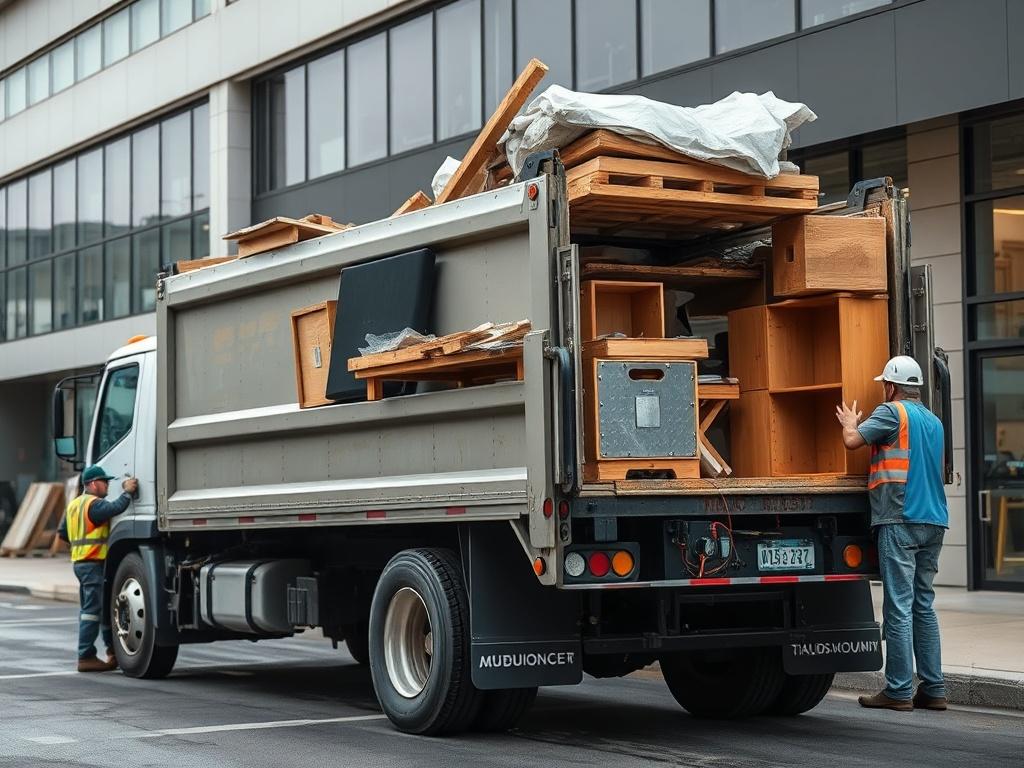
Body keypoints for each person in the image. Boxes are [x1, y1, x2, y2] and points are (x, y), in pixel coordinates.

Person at [835, 355, 949, 712]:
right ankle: (934, 688)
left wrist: (850, 422)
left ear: (890, 386)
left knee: (899, 607)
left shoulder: (890, 411)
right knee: (923, 605)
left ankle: (899, 691)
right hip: (934, 521)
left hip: (900, 518)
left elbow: (853, 441)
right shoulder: (934, 421)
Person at [58, 465, 138, 673]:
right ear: (93, 484)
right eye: (105, 482)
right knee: (92, 612)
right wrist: (127, 492)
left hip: (81, 563)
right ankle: (86, 656)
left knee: (99, 609)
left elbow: (62, 533)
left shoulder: (74, 505)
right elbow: (114, 509)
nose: (108, 486)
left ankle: (112, 651)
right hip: (92, 563)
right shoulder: (94, 505)